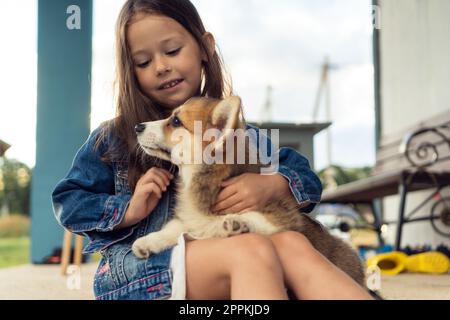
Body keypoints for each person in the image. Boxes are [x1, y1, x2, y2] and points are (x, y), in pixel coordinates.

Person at [52, 0, 372, 300]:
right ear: (130, 70)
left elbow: (303, 175)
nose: (161, 67)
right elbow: (70, 202)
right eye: (144, 61)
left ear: (205, 47)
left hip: (231, 259)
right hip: (147, 272)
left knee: (291, 242)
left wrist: (275, 183)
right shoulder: (113, 137)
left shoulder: (234, 133)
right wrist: (128, 209)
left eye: (173, 50)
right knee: (251, 250)